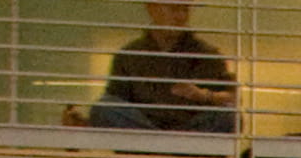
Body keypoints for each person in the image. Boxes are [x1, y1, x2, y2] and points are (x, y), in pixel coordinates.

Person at [90, 0, 239, 130]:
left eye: (185, 9)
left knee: (228, 116)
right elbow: (115, 103)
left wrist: (203, 95)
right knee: (104, 107)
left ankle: (161, 146)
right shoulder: (130, 55)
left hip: (190, 130)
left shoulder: (206, 54)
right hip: (142, 127)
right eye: (174, 8)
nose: (181, 16)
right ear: (152, 8)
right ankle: (160, 144)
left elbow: (232, 99)